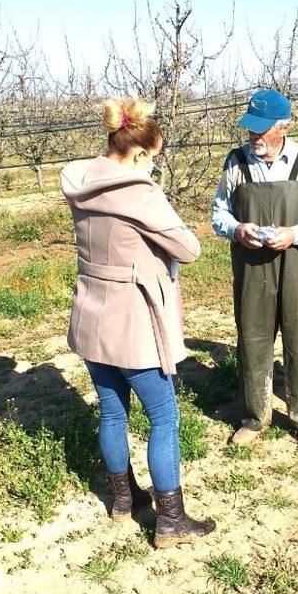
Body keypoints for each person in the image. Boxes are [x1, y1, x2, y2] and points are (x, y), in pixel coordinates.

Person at [60, 98, 215, 546]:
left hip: (91, 312)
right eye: (154, 157)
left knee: (112, 410)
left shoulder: (81, 180)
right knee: (164, 416)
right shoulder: (141, 194)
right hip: (133, 319)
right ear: (141, 153)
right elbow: (189, 248)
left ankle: (124, 503)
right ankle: (171, 521)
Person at [211, 88, 298, 448]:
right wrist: (237, 229)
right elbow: (219, 212)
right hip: (253, 264)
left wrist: (295, 233)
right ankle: (254, 416)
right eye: (251, 129)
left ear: (285, 126)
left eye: (262, 129)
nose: (254, 137)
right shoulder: (236, 162)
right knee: (253, 337)